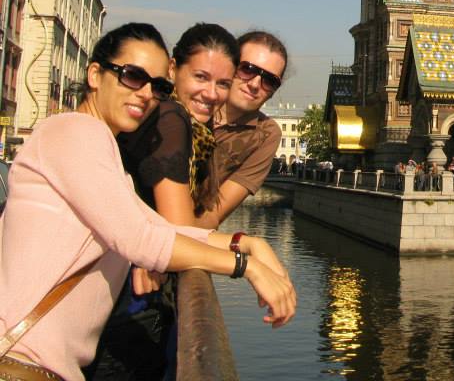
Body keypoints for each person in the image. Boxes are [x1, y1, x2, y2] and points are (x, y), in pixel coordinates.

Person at [0, 23, 295, 381]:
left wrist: (246, 242)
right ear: (95, 74)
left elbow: (158, 228)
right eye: (131, 76)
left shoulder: (107, 154)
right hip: (21, 363)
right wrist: (243, 266)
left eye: (156, 86)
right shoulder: (74, 132)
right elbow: (141, 239)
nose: (145, 94)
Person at [88, 23, 239, 379]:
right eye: (200, 77)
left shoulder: (168, 121)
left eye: (223, 84)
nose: (211, 93)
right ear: (174, 70)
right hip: (125, 310)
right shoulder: (171, 118)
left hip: (106, 300)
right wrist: (244, 261)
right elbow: (178, 228)